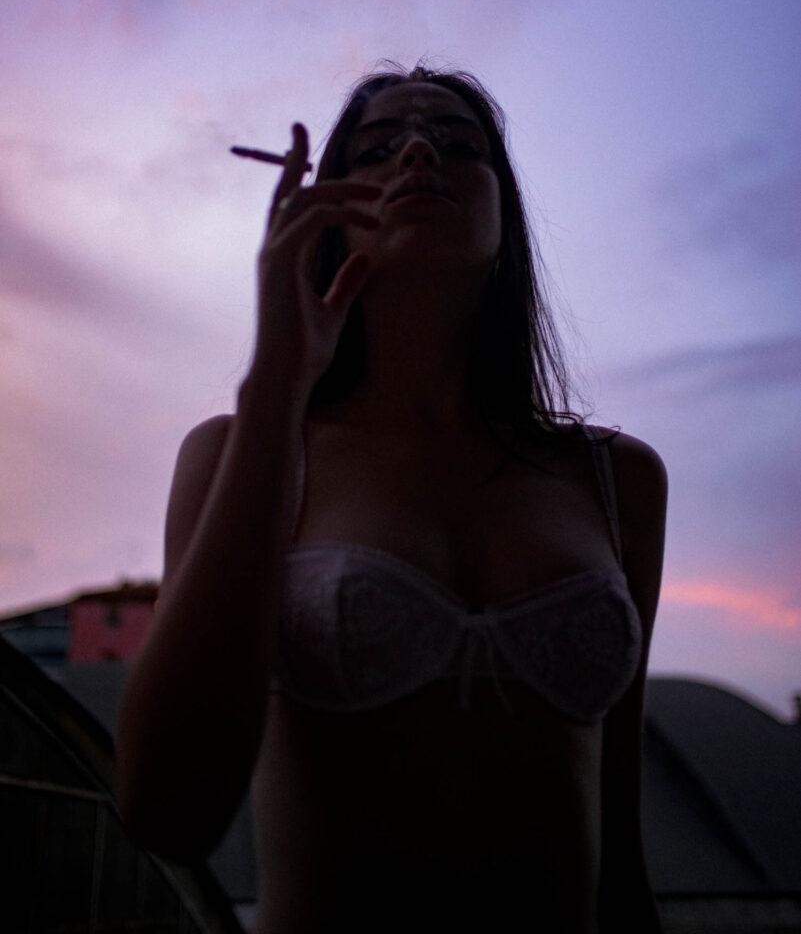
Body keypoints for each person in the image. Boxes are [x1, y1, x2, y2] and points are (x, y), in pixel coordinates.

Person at [116, 61, 667, 933]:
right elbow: (168, 813)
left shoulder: (616, 476)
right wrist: (276, 384)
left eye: (457, 143)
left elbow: (619, 833)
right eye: (377, 148)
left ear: (504, 213)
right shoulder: (241, 450)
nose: (418, 153)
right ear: (328, 214)